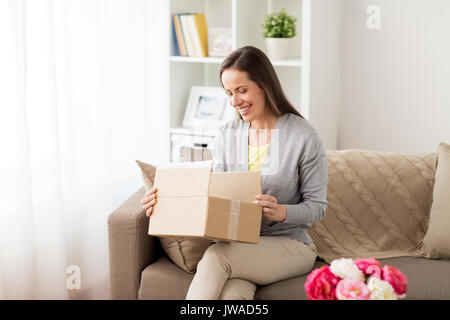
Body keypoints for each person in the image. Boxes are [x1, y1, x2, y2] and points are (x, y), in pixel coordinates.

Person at [141, 46, 328, 300]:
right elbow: (215, 195)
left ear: (265, 85)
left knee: (216, 258)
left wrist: (282, 211)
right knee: (232, 296)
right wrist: (164, 204)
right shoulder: (228, 134)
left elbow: (317, 206)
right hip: (240, 246)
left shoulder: (303, 136)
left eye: (242, 90)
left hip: (291, 245)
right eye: (229, 93)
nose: (234, 101)